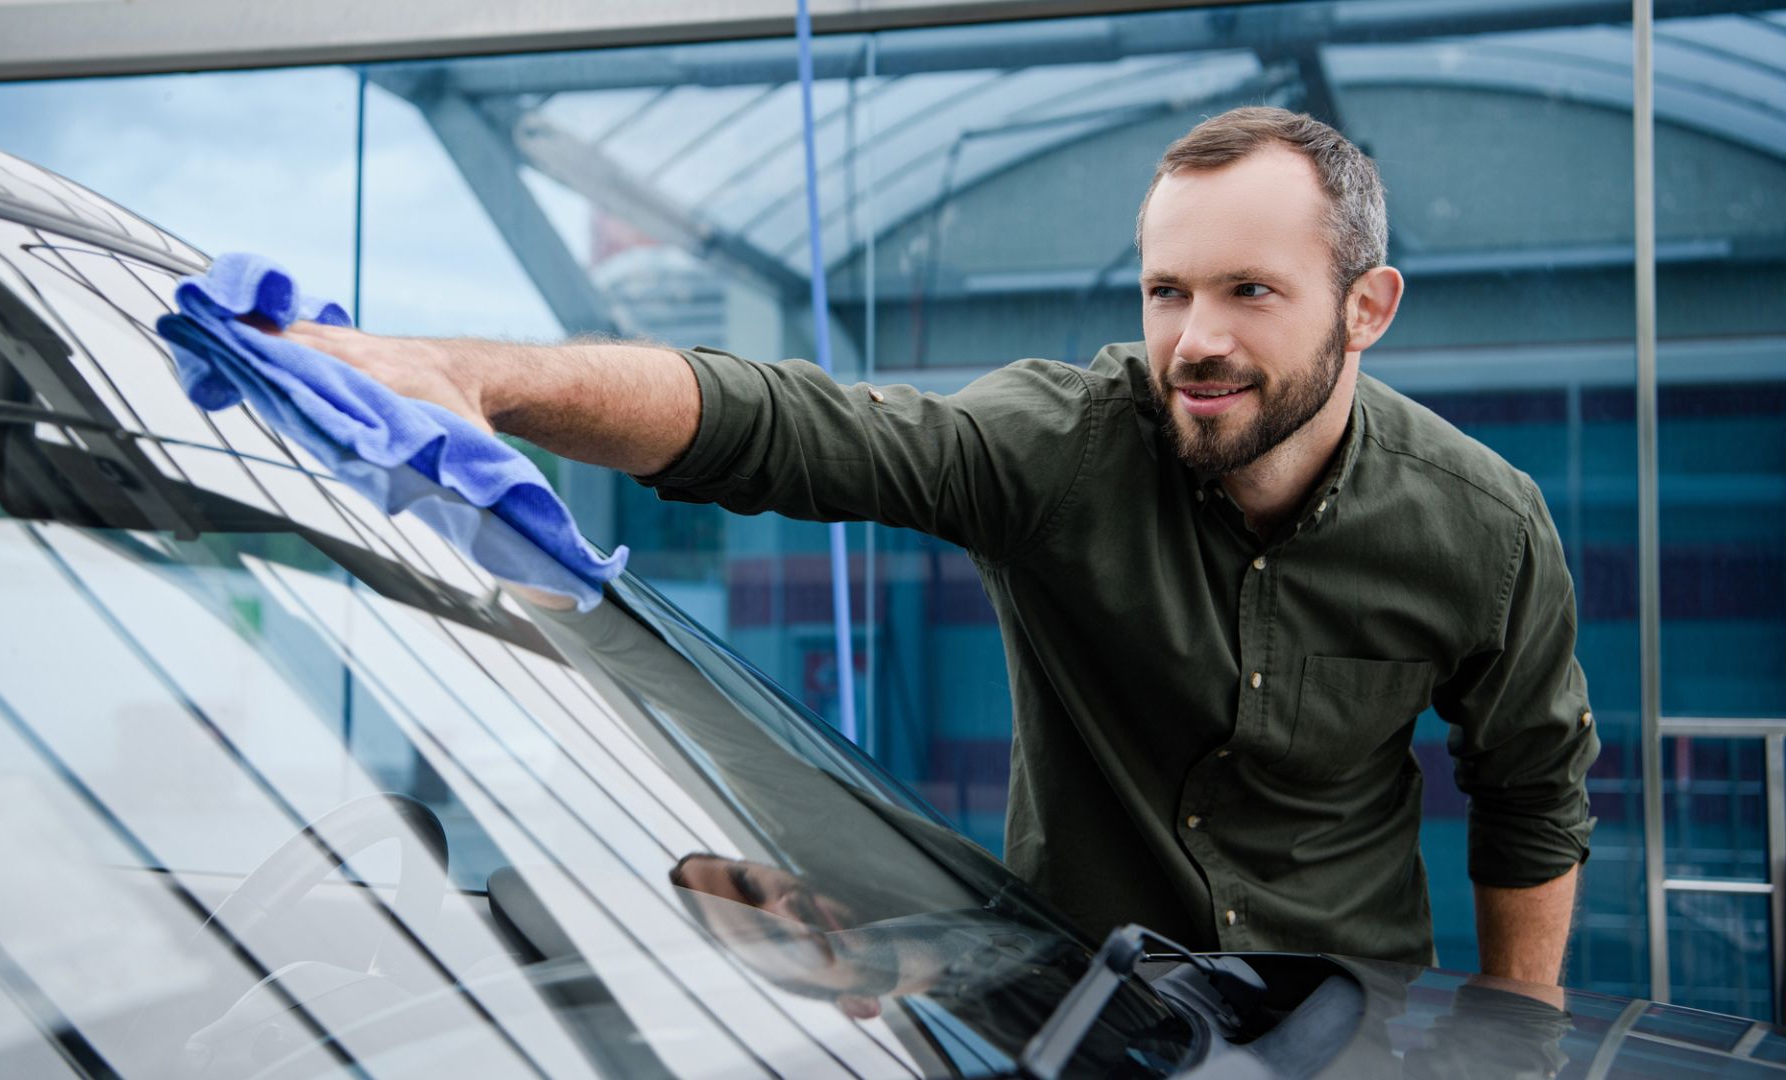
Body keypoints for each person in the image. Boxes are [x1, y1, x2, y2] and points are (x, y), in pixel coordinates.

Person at [265, 106, 1598, 984]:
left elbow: (1532, 788)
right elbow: (790, 425)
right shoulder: (1062, 442)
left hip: (1349, 1036)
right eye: (1166, 290)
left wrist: (1515, 1040)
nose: (1195, 338)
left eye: (1251, 291)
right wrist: (475, 381)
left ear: (1366, 308)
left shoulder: (1482, 527)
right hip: (1080, 1025)